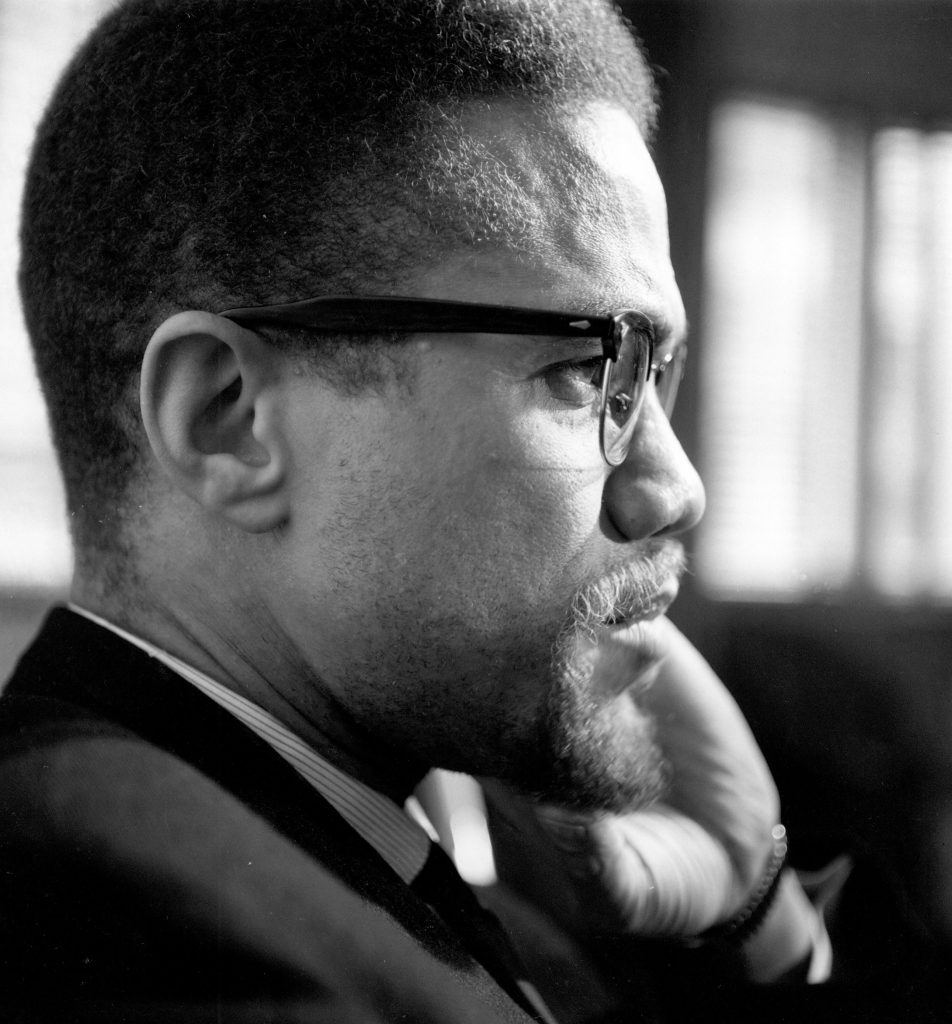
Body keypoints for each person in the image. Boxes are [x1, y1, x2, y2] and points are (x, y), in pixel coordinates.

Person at [0, 1, 833, 1020]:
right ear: (229, 420)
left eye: (656, 373)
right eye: (589, 370)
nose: (675, 487)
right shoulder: (141, 926)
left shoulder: (408, 880)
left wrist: (750, 904)